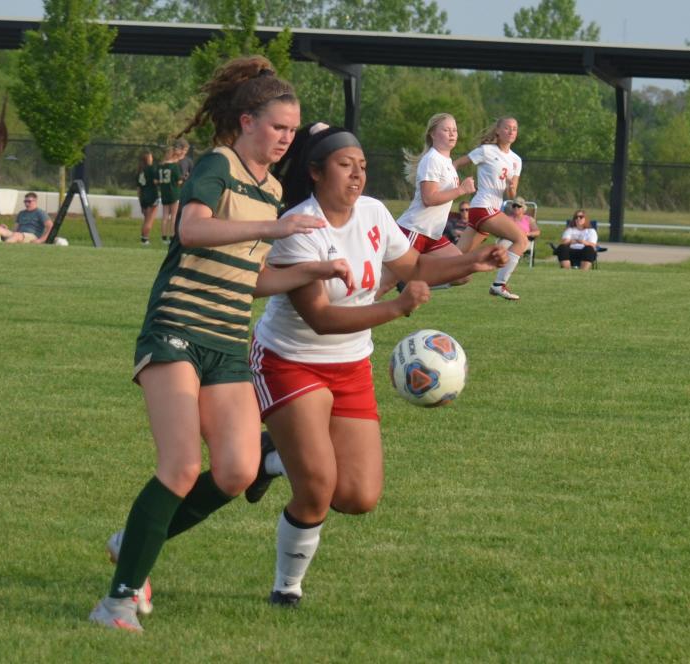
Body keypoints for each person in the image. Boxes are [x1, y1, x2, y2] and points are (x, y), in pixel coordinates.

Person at [89, 56, 353, 633]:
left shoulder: (271, 189)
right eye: (278, 127)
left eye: (292, 129)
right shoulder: (217, 164)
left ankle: (130, 541)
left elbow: (252, 279)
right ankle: (117, 601)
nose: (286, 138)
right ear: (246, 121)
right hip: (177, 330)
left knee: (236, 471)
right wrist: (274, 229)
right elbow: (192, 228)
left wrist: (318, 271)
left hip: (228, 340)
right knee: (182, 465)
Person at [244, 124, 507, 607]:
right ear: (316, 172)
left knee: (359, 497)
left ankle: (273, 457)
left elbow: (414, 268)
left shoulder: (372, 214)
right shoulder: (300, 227)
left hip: (350, 365)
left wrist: (472, 262)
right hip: (290, 360)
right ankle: (287, 588)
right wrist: (398, 309)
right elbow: (321, 318)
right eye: (346, 165)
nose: (358, 174)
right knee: (318, 488)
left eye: (363, 166)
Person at [377, 112, 476, 296]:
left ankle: (410, 282)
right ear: (433, 134)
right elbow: (429, 198)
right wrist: (461, 190)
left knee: (462, 273)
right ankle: (351, 317)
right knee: (383, 285)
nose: (452, 134)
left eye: (454, 130)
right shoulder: (432, 159)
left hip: (432, 235)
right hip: (414, 231)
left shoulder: (446, 162)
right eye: (446, 130)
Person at [453, 116, 526, 300]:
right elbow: (456, 164)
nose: (511, 131)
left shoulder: (517, 160)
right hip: (483, 207)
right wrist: (453, 186)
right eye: (507, 128)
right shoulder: (486, 151)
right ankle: (499, 284)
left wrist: (511, 189)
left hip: (490, 210)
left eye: (515, 128)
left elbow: (511, 195)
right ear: (498, 131)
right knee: (521, 240)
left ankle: (425, 279)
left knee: (455, 261)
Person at [157, 145, 184, 244]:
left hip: (164, 193)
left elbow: (157, 181)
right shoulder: (174, 167)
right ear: (173, 155)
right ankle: (172, 236)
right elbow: (179, 181)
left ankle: (163, 237)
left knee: (164, 216)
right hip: (174, 193)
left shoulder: (160, 166)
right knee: (173, 216)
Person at [136, 151, 159, 245]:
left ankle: (143, 236)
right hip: (152, 195)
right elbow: (155, 181)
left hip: (143, 197)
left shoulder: (139, 171)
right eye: (151, 157)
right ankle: (145, 239)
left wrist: (140, 201)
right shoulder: (151, 169)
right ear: (148, 159)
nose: (152, 159)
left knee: (146, 219)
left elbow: (138, 189)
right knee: (150, 219)